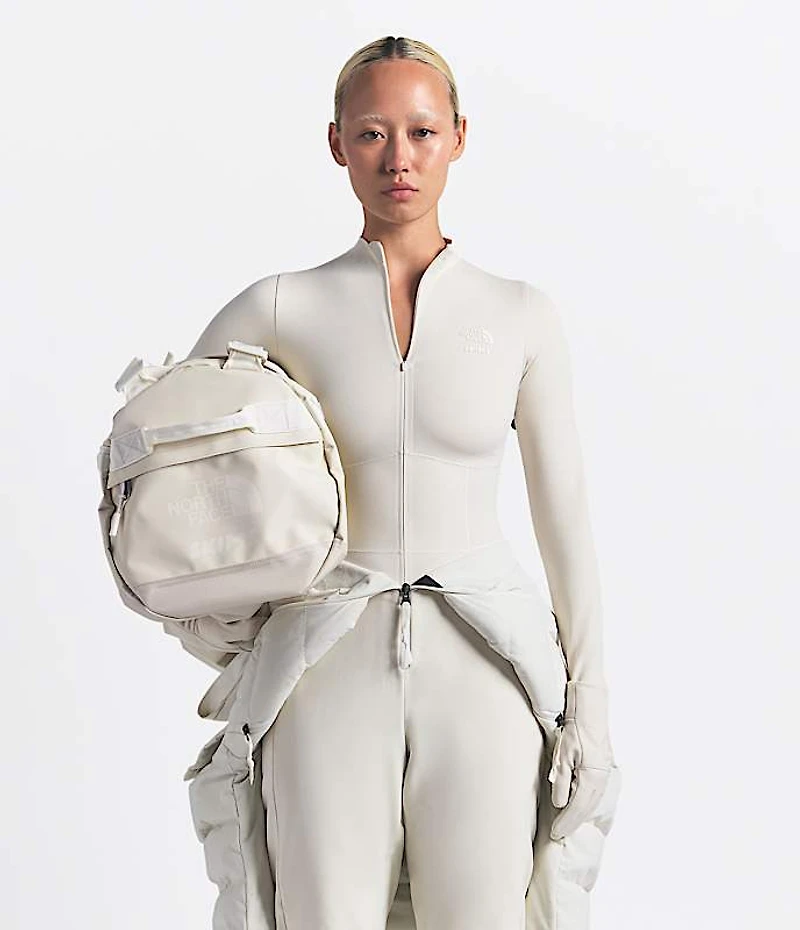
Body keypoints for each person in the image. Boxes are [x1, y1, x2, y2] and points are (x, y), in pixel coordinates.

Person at [182, 34, 620, 930]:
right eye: (372, 133)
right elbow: (170, 484)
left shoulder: (519, 315)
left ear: (459, 136)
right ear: (337, 143)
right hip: (325, 665)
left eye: (421, 131)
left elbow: (565, 521)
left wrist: (592, 708)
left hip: (489, 670)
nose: (399, 158)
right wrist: (224, 636)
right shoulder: (281, 306)